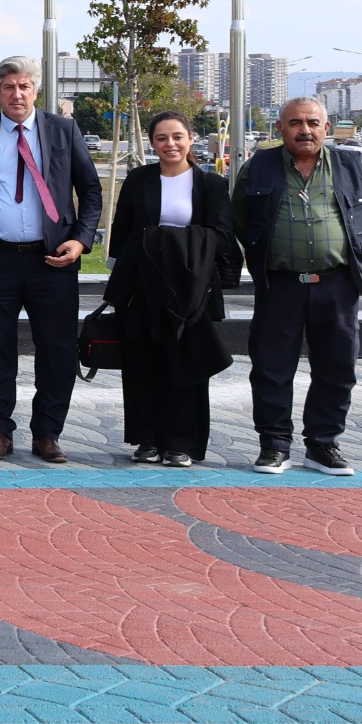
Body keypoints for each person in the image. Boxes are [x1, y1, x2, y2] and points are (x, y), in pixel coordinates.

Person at [0, 56, 102, 463]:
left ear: (35, 90)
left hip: (52, 260)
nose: (16, 94)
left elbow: (91, 191)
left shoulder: (64, 130)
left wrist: (81, 241)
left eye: (23, 86)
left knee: (56, 350)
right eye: (8, 87)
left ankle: (48, 433)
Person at [231, 96, 362, 477]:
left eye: (313, 123)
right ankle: (274, 445)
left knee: (337, 367)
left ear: (326, 128)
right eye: (295, 123)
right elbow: (240, 219)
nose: (305, 130)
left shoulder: (350, 166)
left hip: (337, 285)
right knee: (271, 367)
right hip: (280, 285)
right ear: (280, 128)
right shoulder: (258, 167)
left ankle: (323, 445)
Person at [103, 110, 241, 468]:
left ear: (191, 139)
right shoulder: (139, 179)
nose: (170, 144)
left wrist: (168, 240)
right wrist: (119, 282)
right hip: (142, 289)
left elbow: (223, 237)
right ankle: (147, 440)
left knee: (186, 367)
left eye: (177, 136)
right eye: (161, 138)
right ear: (152, 142)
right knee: (142, 365)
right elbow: (123, 232)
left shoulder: (210, 184)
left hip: (191, 292)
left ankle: (180, 443)